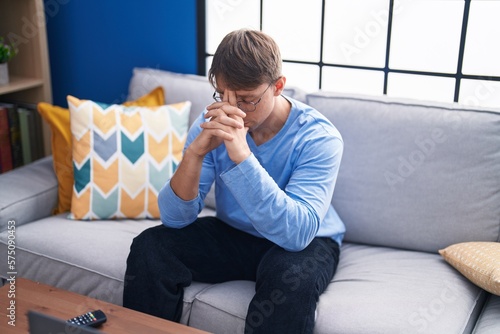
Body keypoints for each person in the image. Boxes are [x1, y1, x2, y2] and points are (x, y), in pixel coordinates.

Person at [123, 29, 345, 334]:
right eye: (224, 96)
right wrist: (195, 154)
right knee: (151, 247)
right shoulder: (214, 121)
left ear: (278, 86)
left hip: (305, 240)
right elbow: (175, 219)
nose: (235, 111)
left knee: (291, 282)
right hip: (236, 232)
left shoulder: (319, 137)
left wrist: (242, 156)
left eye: (248, 100)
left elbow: (297, 234)